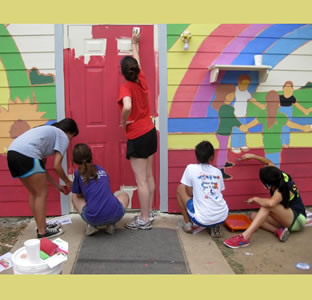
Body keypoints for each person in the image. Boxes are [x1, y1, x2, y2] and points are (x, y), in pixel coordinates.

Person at [7, 118, 79, 238]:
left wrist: (58, 186)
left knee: (34, 193)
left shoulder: (46, 134)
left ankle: (41, 226)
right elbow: (57, 166)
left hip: (13, 153)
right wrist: (68, 182)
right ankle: (42, 232)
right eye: (72, 137)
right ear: (70, 132)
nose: (70, 140)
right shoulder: (62, 135)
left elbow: (41, 170)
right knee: (41, 194)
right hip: (27, 154)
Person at [224, 153, 307, 248]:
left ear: (268, 184)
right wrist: (253, 156)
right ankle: (278, 231)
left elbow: (271, 203)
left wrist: (255, 199)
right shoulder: (277, 174)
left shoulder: (280, 190)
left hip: (297, 220)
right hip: (286, 215)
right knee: (253, 216)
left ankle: (244, 238)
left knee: (266, 207)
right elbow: (268, 162)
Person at [118, 30, 157, 230]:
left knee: (141, 179)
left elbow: (126, 106)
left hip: (138, 135)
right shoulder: (142, 80)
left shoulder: (126, 88)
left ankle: (143, 219)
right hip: (150, 132)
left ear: (123, 72)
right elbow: (138, 60)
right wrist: (134, 44)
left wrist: (124, 121)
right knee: (149, 176)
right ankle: (148, 213)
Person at [239, 90, 311, 167]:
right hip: (276, 145)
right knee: (274, 167)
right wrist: (303, 128)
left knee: (269, 166)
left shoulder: (264, 114)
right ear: (278, 103)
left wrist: (244, 127)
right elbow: (292, 125)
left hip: (268, 145)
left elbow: (249, 125)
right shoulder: (280, 116)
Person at [71, 144, 129, 236]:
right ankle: (111, 224)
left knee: (74, 195)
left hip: (93, 218)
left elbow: (78, 195)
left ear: (74, 160)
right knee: (124, 195)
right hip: (115, 215)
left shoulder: (78, 173)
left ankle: (92, 225)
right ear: (91, 155)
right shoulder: (101, 169)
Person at [176, 141, 229, 237]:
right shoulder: (218, 172)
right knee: (213, 200)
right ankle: (216, 226)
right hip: (223, 215)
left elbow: (189, 193)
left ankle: (188, 224)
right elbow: (219, 191)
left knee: (180, 188)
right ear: (212, 156)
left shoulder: (191, 168)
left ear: (197, 156)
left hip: (202, 219)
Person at [212, 84, 247, 179]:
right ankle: (220, 169)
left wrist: (239, 125)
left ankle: (224, 162)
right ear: (224, 96)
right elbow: (232, 119)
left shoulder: (226, 107)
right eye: (230, 95)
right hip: (222, 133)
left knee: (224, 149)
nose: (232, 97)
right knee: (222, 151)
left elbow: (232, 120)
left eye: (233, 95)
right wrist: (240, 126)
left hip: (224, 133)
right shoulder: (225, 108)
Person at [231, 74, 265, 154]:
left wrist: (261, 106)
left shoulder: (246, 92)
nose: (245, 86)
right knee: (236, 131)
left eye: (247, 84)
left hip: (243, 116)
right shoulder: (235, 90)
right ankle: (235, 146)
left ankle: (242, 144)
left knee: (243, 130)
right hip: (235, 116)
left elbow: (252, 99)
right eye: (244, 84)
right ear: (239, 83)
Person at [279, 81, 311, 147]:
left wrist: (307, 111)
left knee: (286, 128)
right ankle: (282, 143)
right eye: (286, 87)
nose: (288, 89)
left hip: (288, 114)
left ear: (292, 89)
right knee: (282, 128)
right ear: (283, 88)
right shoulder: (279, 97)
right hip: (281, 115)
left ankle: (286, 144)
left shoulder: (292, 98)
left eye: (290, 87)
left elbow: (302, 109)